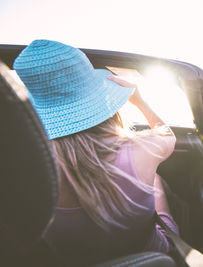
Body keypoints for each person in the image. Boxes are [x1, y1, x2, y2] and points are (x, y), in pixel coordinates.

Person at [13, 40, 179, 266]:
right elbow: (168, 135)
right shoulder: (144, 149)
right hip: (152, 258)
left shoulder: (24, 172)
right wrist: (139, 100)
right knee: (156, 181)